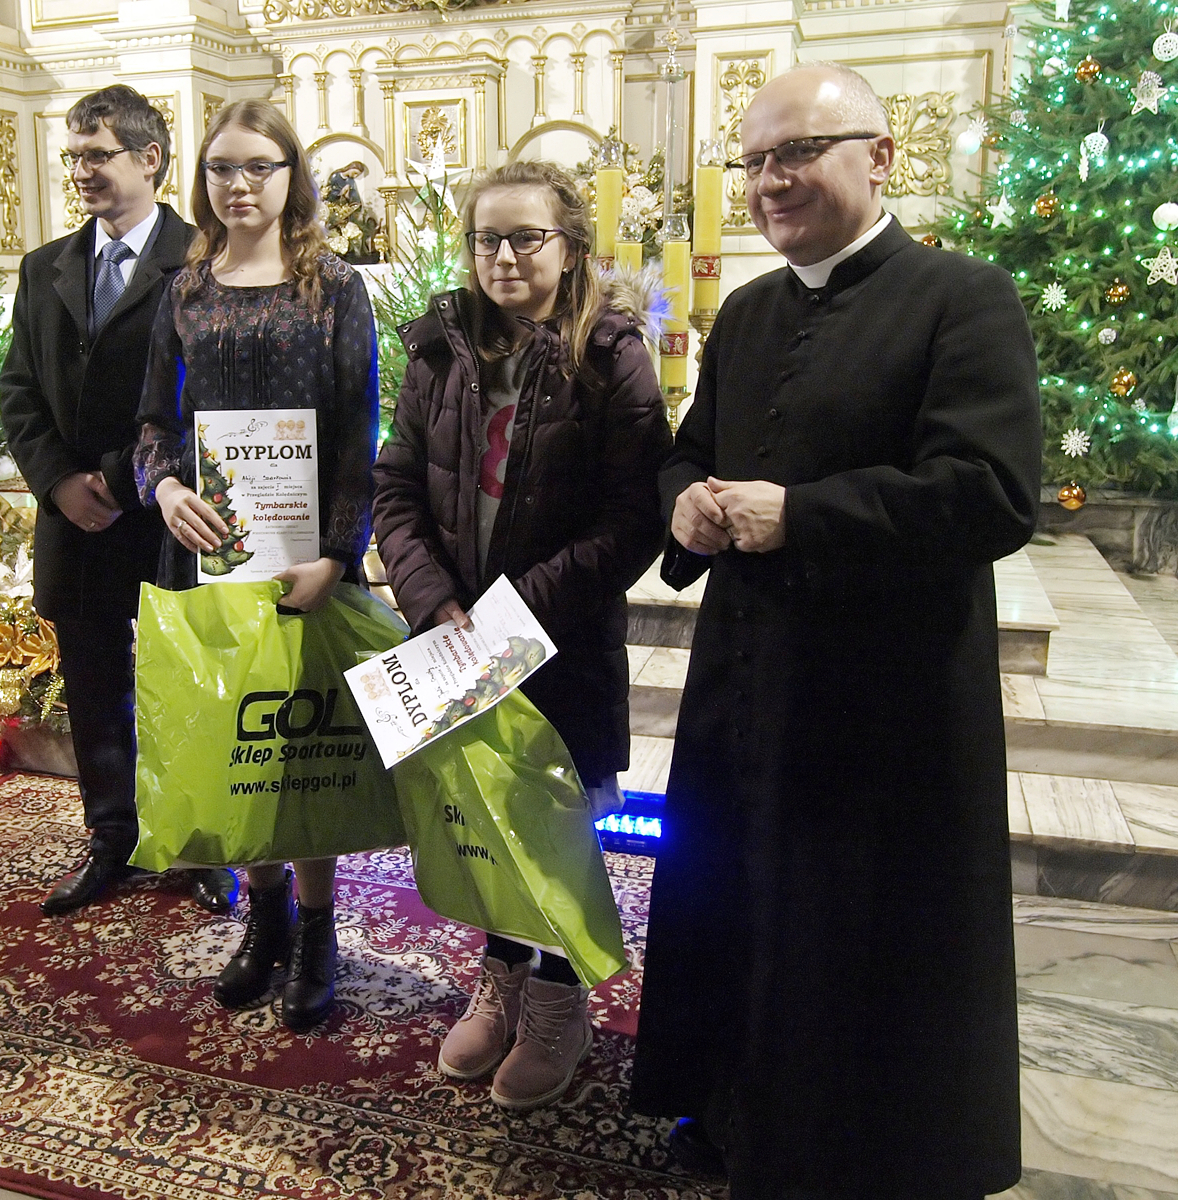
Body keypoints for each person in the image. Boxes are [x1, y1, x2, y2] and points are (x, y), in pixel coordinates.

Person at [627, 63, 1042, 1198]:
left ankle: (848, 1150)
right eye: (755, 160)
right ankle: (729, 1106)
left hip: (880, 695)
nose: (769, 179)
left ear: (879, 155)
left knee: (845, 923)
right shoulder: (750, 310)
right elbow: (691, 447)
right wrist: (683, 499)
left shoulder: (963, 297)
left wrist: (801, 516)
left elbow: (992, 492)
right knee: (738, 893)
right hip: (746, 674)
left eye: (797, 152)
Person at [373, 160, 670, 1111]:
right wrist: (431, 600)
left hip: (561, 638)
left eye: (526, 237)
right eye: (486, 239)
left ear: (569, 246)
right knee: (486, 821)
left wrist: (521, 609)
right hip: (457, 638)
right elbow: (396, 487)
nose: (503, 256)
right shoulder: (438, 349)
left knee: (558, 826)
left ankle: (557, 1001)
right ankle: (501, 977)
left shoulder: (611, 352)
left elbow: (634, 516)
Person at [133, 99, 378, 1032]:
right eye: (221, 168)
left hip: (305, 558)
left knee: (300, 748)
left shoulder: (335, 287)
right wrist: (164, 488)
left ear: (290, 177)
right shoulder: (184, 290)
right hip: (207, 549)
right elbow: (153, 423)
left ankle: (317, 930)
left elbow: (358, 436)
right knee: (235, 742)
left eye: (258, 167)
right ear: (201, 180)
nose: (238, 185)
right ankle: (263, 916)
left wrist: (338, 555)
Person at [0, 85, 235, 919]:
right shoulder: (45, 267)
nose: (81, 172)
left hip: (167, 510)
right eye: (74, 157)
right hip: (75, 516)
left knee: (186, 686)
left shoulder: (205, 258)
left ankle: (201, 842)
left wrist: (115, 472)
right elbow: (19, 389)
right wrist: (60, 482)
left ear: (150, 158)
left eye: (97, 155)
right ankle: (113, 839)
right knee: (95, 687)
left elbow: (211, 394)